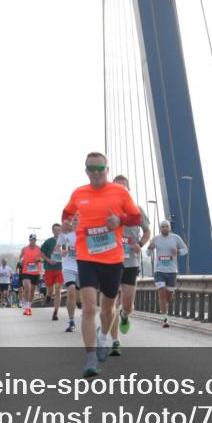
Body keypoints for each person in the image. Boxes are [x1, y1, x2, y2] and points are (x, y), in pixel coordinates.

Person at [61, 151, 142, 377]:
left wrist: (120, 220)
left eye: (100, 169)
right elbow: (66, 213)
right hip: (86, 258)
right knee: (89, 308)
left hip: (113, 260)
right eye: (91, 169)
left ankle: (103, 337)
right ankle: (90, 360)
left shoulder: (120, 192)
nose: (96, 173)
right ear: (86, 171)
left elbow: (135, 218)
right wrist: (66, 223)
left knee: (108, 309)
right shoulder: (79, 193)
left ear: (106, 170)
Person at [108, 175, 151, 354]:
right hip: (110, 261)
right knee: (111, 304)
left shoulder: (137, 209)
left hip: (130, 261)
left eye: (123, 188)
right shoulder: (106, 209)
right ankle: (115, 341)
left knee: (127, 305)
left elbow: (147, 231)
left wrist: (140, 244)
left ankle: (125, 315)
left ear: (128, 190)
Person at [147, 219, 187, 328]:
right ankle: (165, 320)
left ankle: (164, 305)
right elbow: (148, 253)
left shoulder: (176, 238)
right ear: (160, 228)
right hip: (159, 271)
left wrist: (178, 252)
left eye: (166, 226)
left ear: (169, 228)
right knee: (162, 294)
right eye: (162, 226)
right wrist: (150, 248)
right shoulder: (156, 239)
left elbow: (185, 250)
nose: (164, 228)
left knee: (169, 297)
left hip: (172, 271)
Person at [57, 216, 80, 332]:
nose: (76, 222)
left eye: (79, 220)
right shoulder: (66, 235)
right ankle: (71, 321)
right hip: (68, 267)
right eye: (74, 220)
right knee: (71, 290)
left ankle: (80, 303)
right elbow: (57, 247)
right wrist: (62, 252)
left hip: (82, 267)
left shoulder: (86, 235)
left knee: (79, 295)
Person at [17, 234, 46, 316]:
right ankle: (26, 308)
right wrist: (20, 261)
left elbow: (44, 259)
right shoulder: (24, 249)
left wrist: (40, 259)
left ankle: (29, 307)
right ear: (29, 240)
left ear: (35, 240)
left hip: (35, 272)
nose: (33, 241)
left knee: (32, 291)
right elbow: (20, 257)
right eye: (31, 239)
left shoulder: (39, 249)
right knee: (27, 289)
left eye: (34, 240)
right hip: (26, 271)